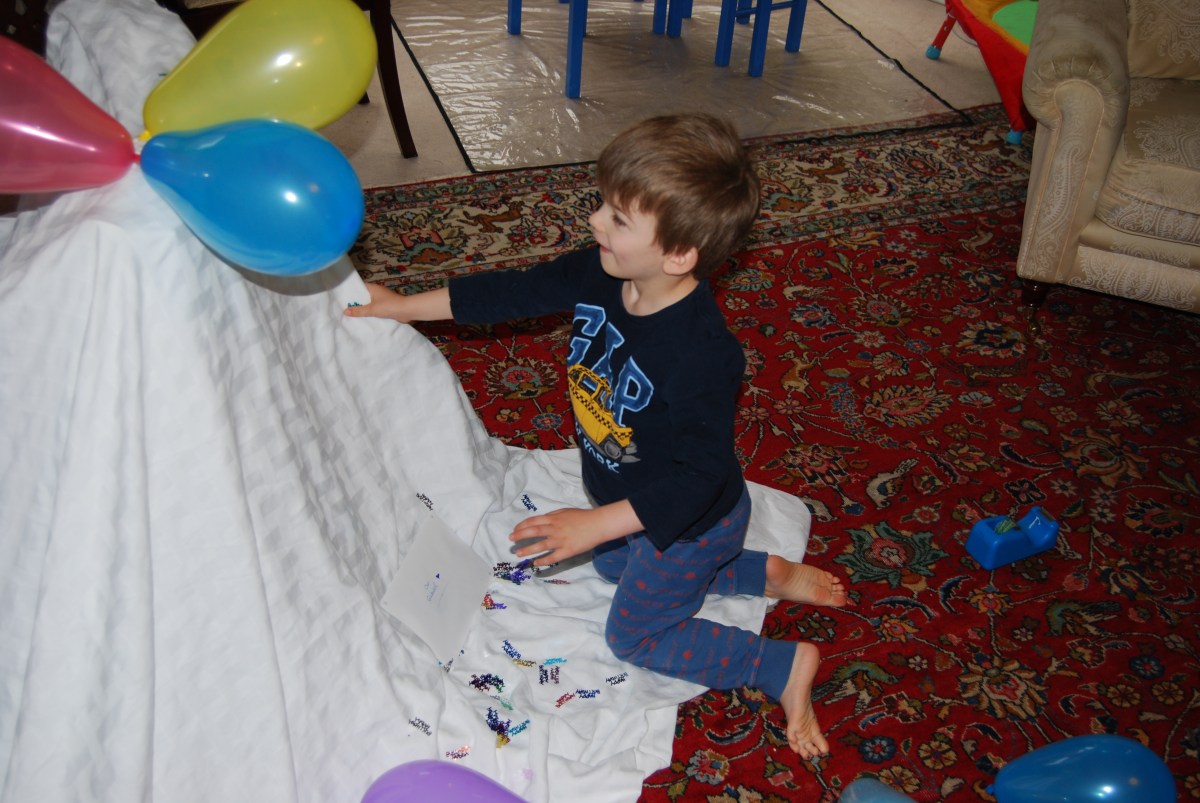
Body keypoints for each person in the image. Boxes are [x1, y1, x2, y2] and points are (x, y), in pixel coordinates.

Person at [345, 113, 851, 758]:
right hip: (624, 497)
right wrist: (403, 306)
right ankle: (759, 573)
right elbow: (515, 292)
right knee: (613, 562)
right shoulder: (603, 273)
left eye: (618, 218)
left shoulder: (702, 354)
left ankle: (778, 663)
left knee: (634, 634)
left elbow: (696, 479)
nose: (594, 222)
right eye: (603, 205)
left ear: (678, 254)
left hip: (690, 522)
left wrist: (596, 523)